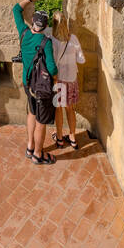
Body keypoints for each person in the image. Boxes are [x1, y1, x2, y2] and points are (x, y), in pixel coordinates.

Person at [14, 0, 57, 164]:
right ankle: (38, 154)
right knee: (41, 120)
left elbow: (16, 10)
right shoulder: (46, 42)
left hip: (27, 83)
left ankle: (30, 145)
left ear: (32, 21)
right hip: (42, 87)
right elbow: (52, 68)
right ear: (45, 26)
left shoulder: (24, 33)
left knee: (31, 113)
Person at [50, 13, 85, 150]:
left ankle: (59, 138)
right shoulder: (73, 39)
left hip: (58, 80)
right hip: (71, 79)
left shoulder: (52, 40)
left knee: (58, 110)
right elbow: (81, 59)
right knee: (70, 109)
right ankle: (72, 138)